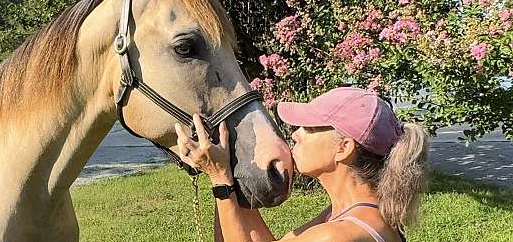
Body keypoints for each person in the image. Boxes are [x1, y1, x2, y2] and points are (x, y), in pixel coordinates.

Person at [175, 86, 429, 242]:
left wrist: (220, 179)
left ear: (344, 148)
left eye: (309, 127)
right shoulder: (355, 213)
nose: (296, 133)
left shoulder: (335, 235)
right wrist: (228, 172)